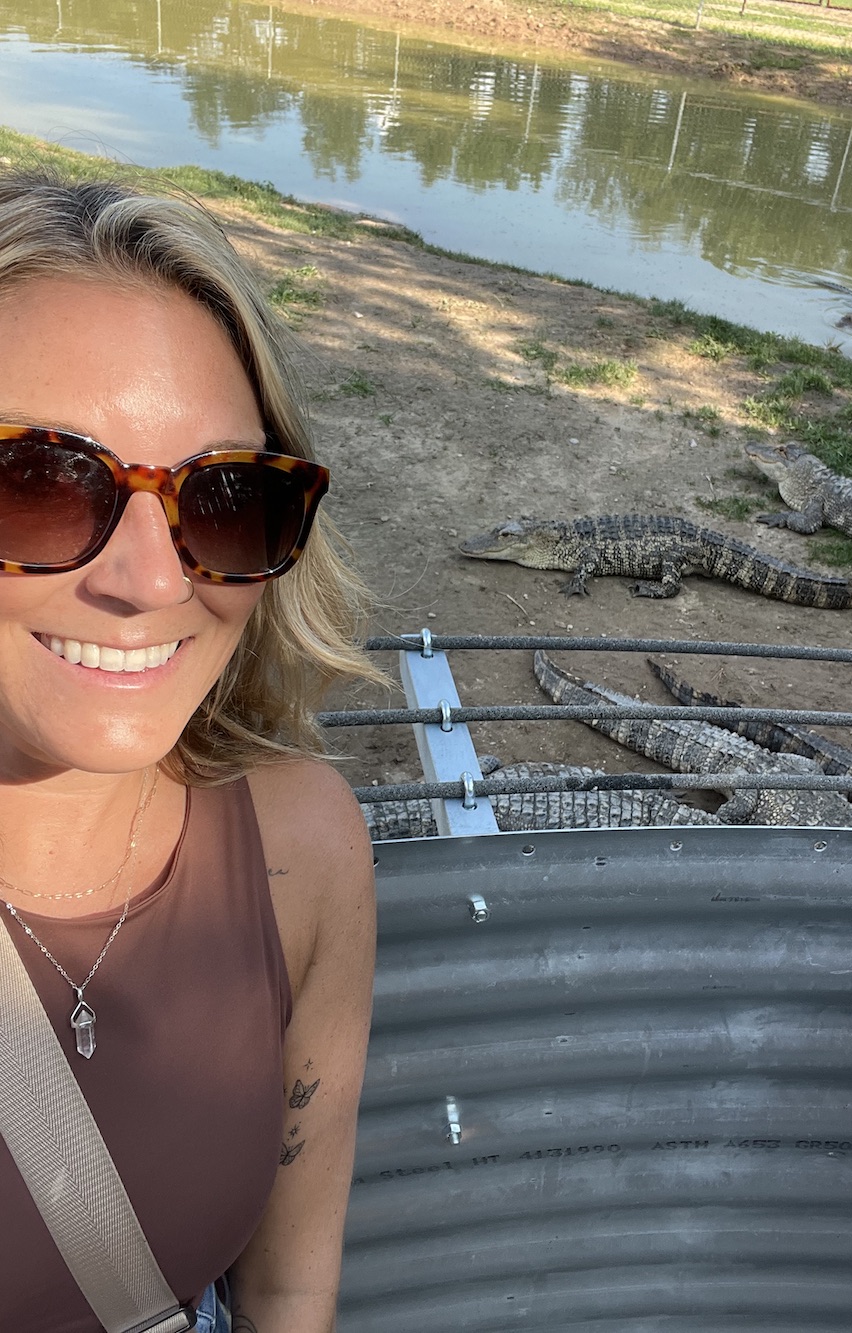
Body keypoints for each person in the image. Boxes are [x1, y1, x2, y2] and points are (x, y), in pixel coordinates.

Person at [0, 166, 381, 1332]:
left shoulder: (300, 852)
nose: (155, 581)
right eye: (41, 484)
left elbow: (286, 1287)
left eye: (223, 498)